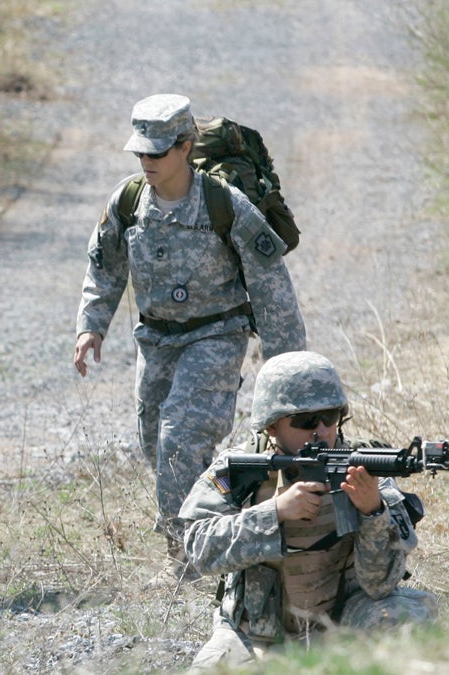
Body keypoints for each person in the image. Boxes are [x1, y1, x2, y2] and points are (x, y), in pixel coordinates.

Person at [73, 93, 307, 581]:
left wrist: (289, 370)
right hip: (155, 341)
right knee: (155, 442)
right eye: (141, 153)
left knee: (181, 439)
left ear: (185, 147)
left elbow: (270, 281)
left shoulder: (225, 205)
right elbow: (104, 267)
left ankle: (186, 558)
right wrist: (90, 326)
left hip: (216, 335)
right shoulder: (128, 201)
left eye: (157, 153)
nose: (147, 162)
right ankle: (225, 519)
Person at [180, 351, 437, 669]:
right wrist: (273, 513)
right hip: (258, 634)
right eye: (305, 421)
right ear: (272, 426)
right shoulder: (240, 470)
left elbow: (381, 584)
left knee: (404, 625)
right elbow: (199, 548)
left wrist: (373, 512)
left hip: (346, 624)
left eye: (329, 417)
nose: (321, 430)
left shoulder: (366, 465)